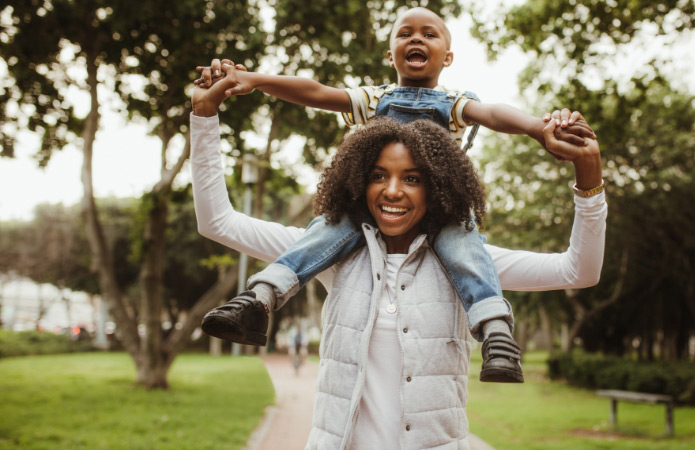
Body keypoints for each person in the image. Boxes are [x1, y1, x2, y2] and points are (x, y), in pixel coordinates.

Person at [191, 67, 606, 448]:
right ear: (357, 183)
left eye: (413, 179)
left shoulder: (470, 264)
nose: (392, 191)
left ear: (440, 187)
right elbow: (217, 223)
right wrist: (204, 115)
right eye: (378, 176)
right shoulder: (328, 254)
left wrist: (588, 176)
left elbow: (579, 270)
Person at [196, 6, 596, 384]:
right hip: (357, 218)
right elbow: (317, 92)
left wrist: (536, 129)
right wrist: (255, 81)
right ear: (391, 55)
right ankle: (260, 298)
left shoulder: (454, 103)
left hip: (446, 214)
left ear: (448, 57)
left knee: (467, 251)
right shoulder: (375, 98)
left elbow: (492, 114)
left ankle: (495, 332)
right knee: (322, 232)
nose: (415, 39)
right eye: (404, 33)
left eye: (429, 34)